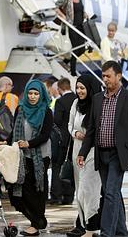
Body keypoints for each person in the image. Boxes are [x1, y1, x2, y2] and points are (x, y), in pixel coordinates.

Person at [77, 61, 128, 237]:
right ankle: (122, 233)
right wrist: (82, 152)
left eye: (109, 76)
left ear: (118, 76)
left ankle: (107, 233)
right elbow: (92, 129)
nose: (105, 79)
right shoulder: (97, 99)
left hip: (119, 154)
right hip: (101, 154)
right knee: (112, 193)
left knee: (110, 193)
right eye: (103, 76)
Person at [8, 79, 53, 236]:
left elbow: (45, 135)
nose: (33, 96)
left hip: (40, 157)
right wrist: (7, 145)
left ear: (41, 95)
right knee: (20, 190)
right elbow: (14, 131)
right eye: (30, 93)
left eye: (36, 93)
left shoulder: (46, 111)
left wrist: (29, 143)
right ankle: (37, 219)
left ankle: (36, 223)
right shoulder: (20, 109)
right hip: (22, 155)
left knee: (37, 190)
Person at [66, 75, 103, 237]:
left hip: (92, 151)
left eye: (83, 88)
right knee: (79, 190)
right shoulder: (75, 103)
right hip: (76, 150)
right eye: (78, 87)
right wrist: (75, 132)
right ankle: (82, 225)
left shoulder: (97, 105)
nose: (79, 91)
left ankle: (92, 226)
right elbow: (69, 124)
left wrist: (87, 137)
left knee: (88, 190)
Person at [51, 77, 76, 205]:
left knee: (58, 167)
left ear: (60, 89)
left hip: (63, 140)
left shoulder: (60, 102)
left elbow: (57, 121)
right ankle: (69, 196)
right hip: (75, 139)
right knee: (71, 167)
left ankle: (56, 195)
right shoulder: (77, 99)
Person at [55, 0, 89, 76]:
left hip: (80, 26)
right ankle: (73, 72)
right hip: (71, 26)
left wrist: (84, 13)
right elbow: (56, 6)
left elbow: (79, 9)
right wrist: (62, 15)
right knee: (75, 49)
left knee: (82, 48)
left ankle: (66, 61)